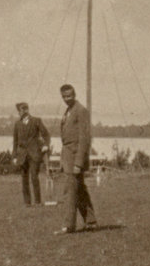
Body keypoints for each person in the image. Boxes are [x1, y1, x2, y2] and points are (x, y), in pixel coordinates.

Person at [55, 84, 97, 234]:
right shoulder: (69, 111)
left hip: (75, 159)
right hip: (68, 157)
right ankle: (91, 222)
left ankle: (69, 226)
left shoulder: (81, 111)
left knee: (70, 191)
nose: (67, 99)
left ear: (75, 94)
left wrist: (78, 163)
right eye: (64, 97)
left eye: (69, 96)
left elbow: (84, 139)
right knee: (79, 190)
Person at [11, 101, 51, 206]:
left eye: (20, 110)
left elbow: (46, 134)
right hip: (22, 155)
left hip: (34, 154)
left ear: (25, 110)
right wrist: (14, 156)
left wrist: (46, 145)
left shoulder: (36, 121)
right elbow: (15, 141)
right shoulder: (17, 124)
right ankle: (27, 202)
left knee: (34, 177)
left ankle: (37, 201)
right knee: (24, 179)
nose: (19, 113)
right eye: (19, 111)